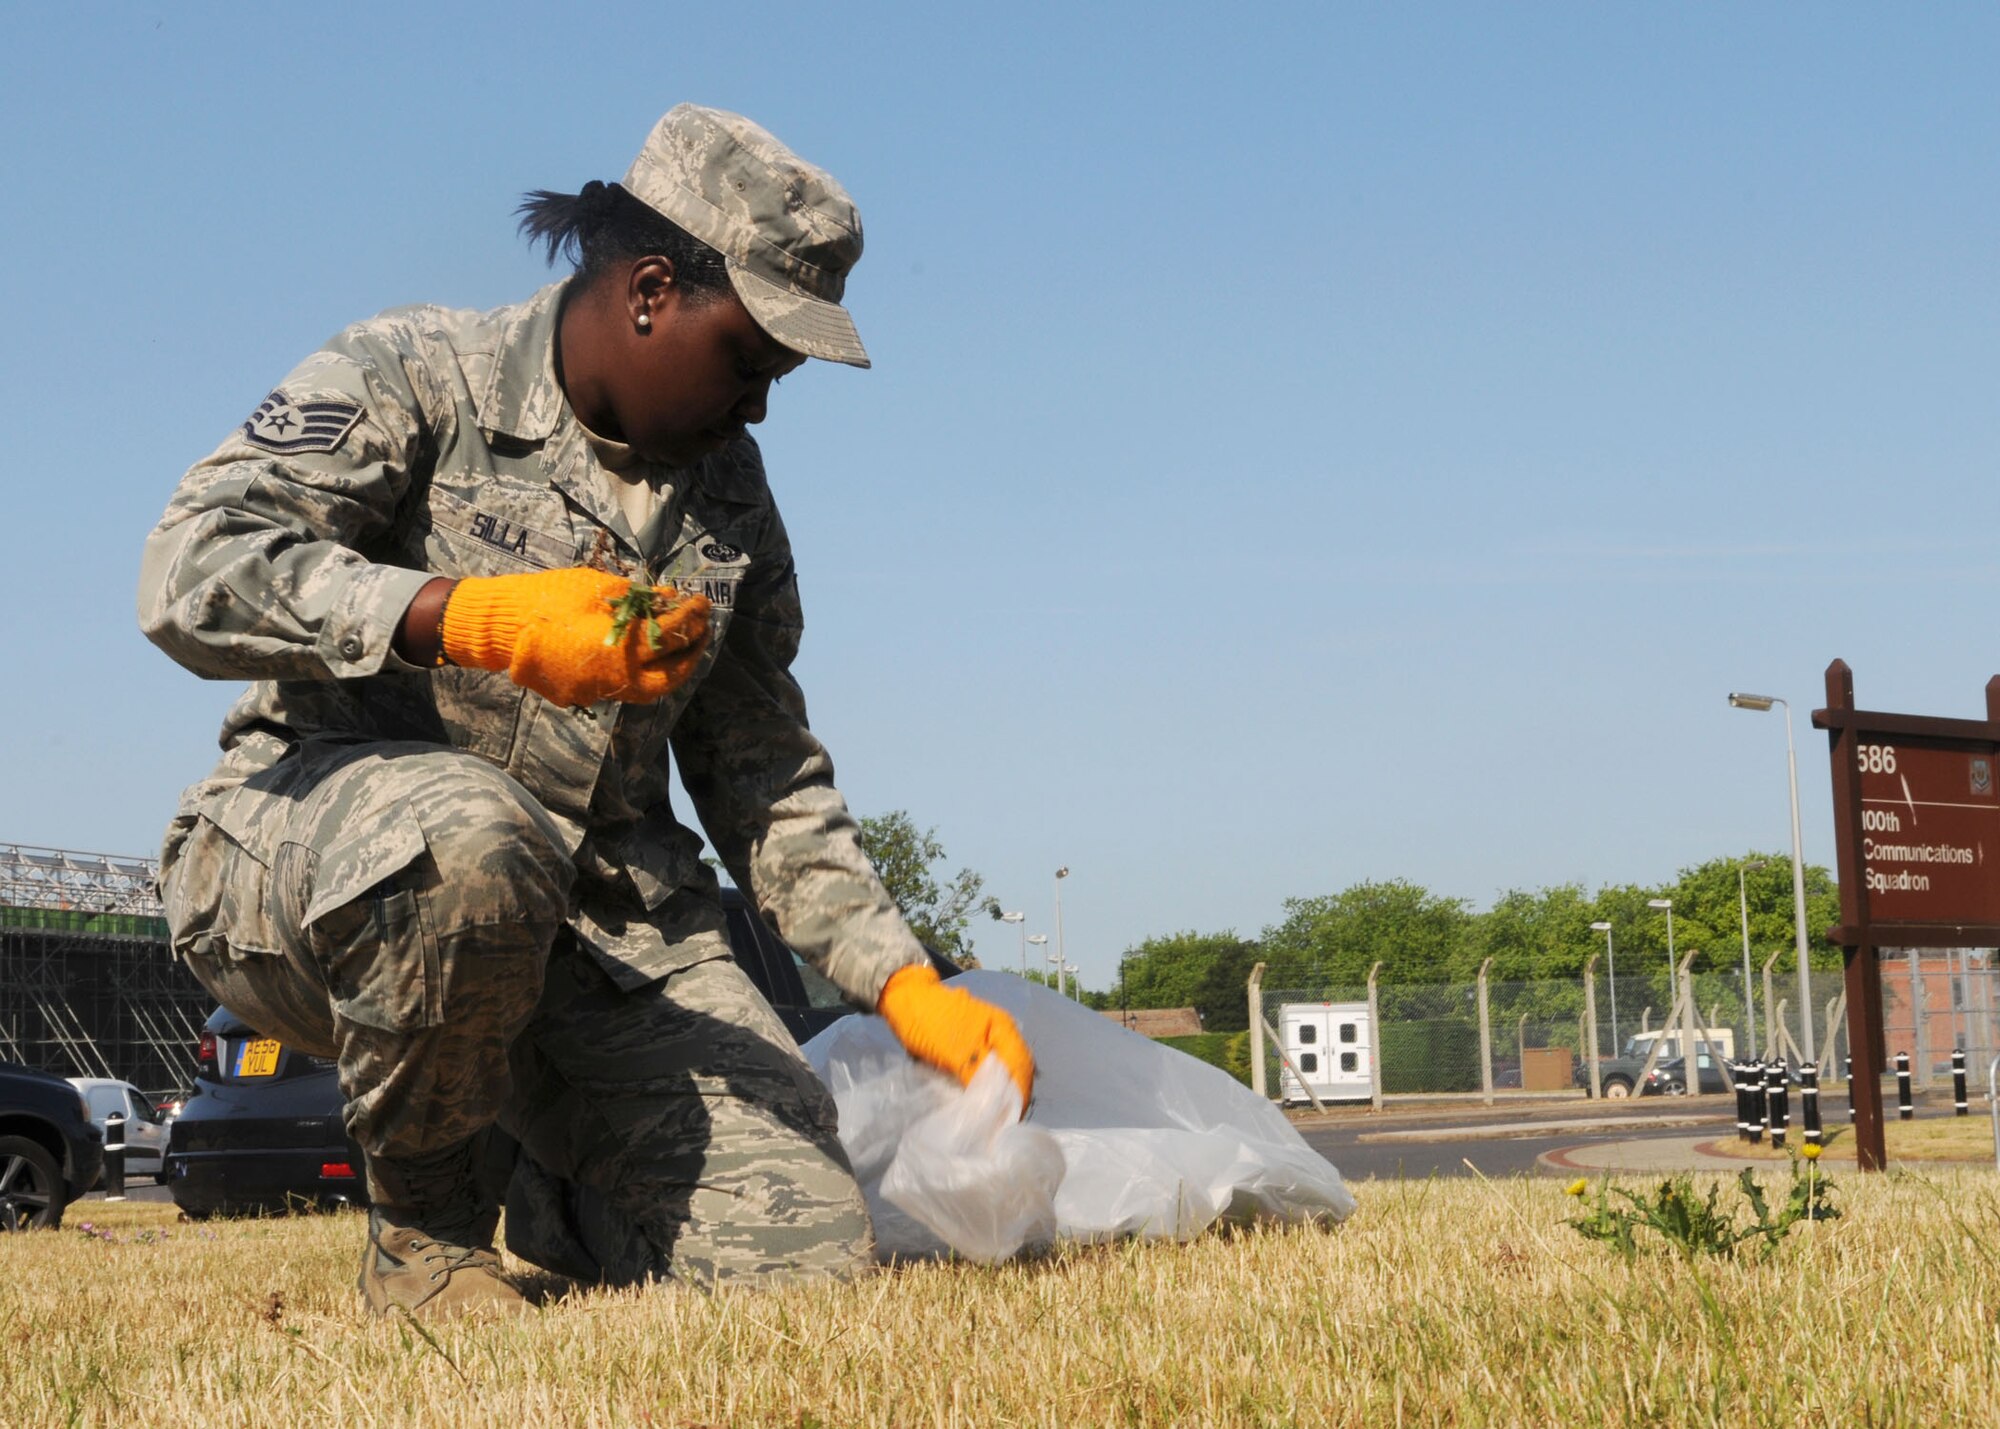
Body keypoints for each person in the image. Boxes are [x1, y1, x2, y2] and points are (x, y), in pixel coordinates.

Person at [138, 103, 1034, 1319]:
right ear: (653, 289)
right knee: (469, 838)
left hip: (600, 931)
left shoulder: (730, 503)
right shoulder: (418, 373)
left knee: (805, 1249)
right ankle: (429, 1241)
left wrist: (900, 979)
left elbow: (762, 768)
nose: (761, 407)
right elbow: (189, 568)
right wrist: (466, 617)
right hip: (311, 865)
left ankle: (545, 1177)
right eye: (753, 360)